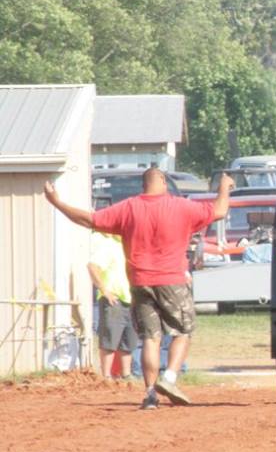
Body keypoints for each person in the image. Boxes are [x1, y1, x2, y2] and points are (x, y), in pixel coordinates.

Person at [44, 168, 233, 409]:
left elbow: (88, 219)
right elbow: (219, 210)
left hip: (140, 282)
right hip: (171, 280)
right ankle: (170, 378)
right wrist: (224, 187)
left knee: (150, 339)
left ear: (143, 185)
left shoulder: (128, 208)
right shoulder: (180, 206)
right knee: (183, 331)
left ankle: (150, 394)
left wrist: (56, 202)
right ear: (163, 181)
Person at [88, 231, 138, 379]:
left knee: (129, 340)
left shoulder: (130, 247)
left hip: (132, 299)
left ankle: (126, 374)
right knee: (109, 339)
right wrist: (104, 290)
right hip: (113, 300)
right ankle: (106, 376)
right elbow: (92, 267)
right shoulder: (109, 245)